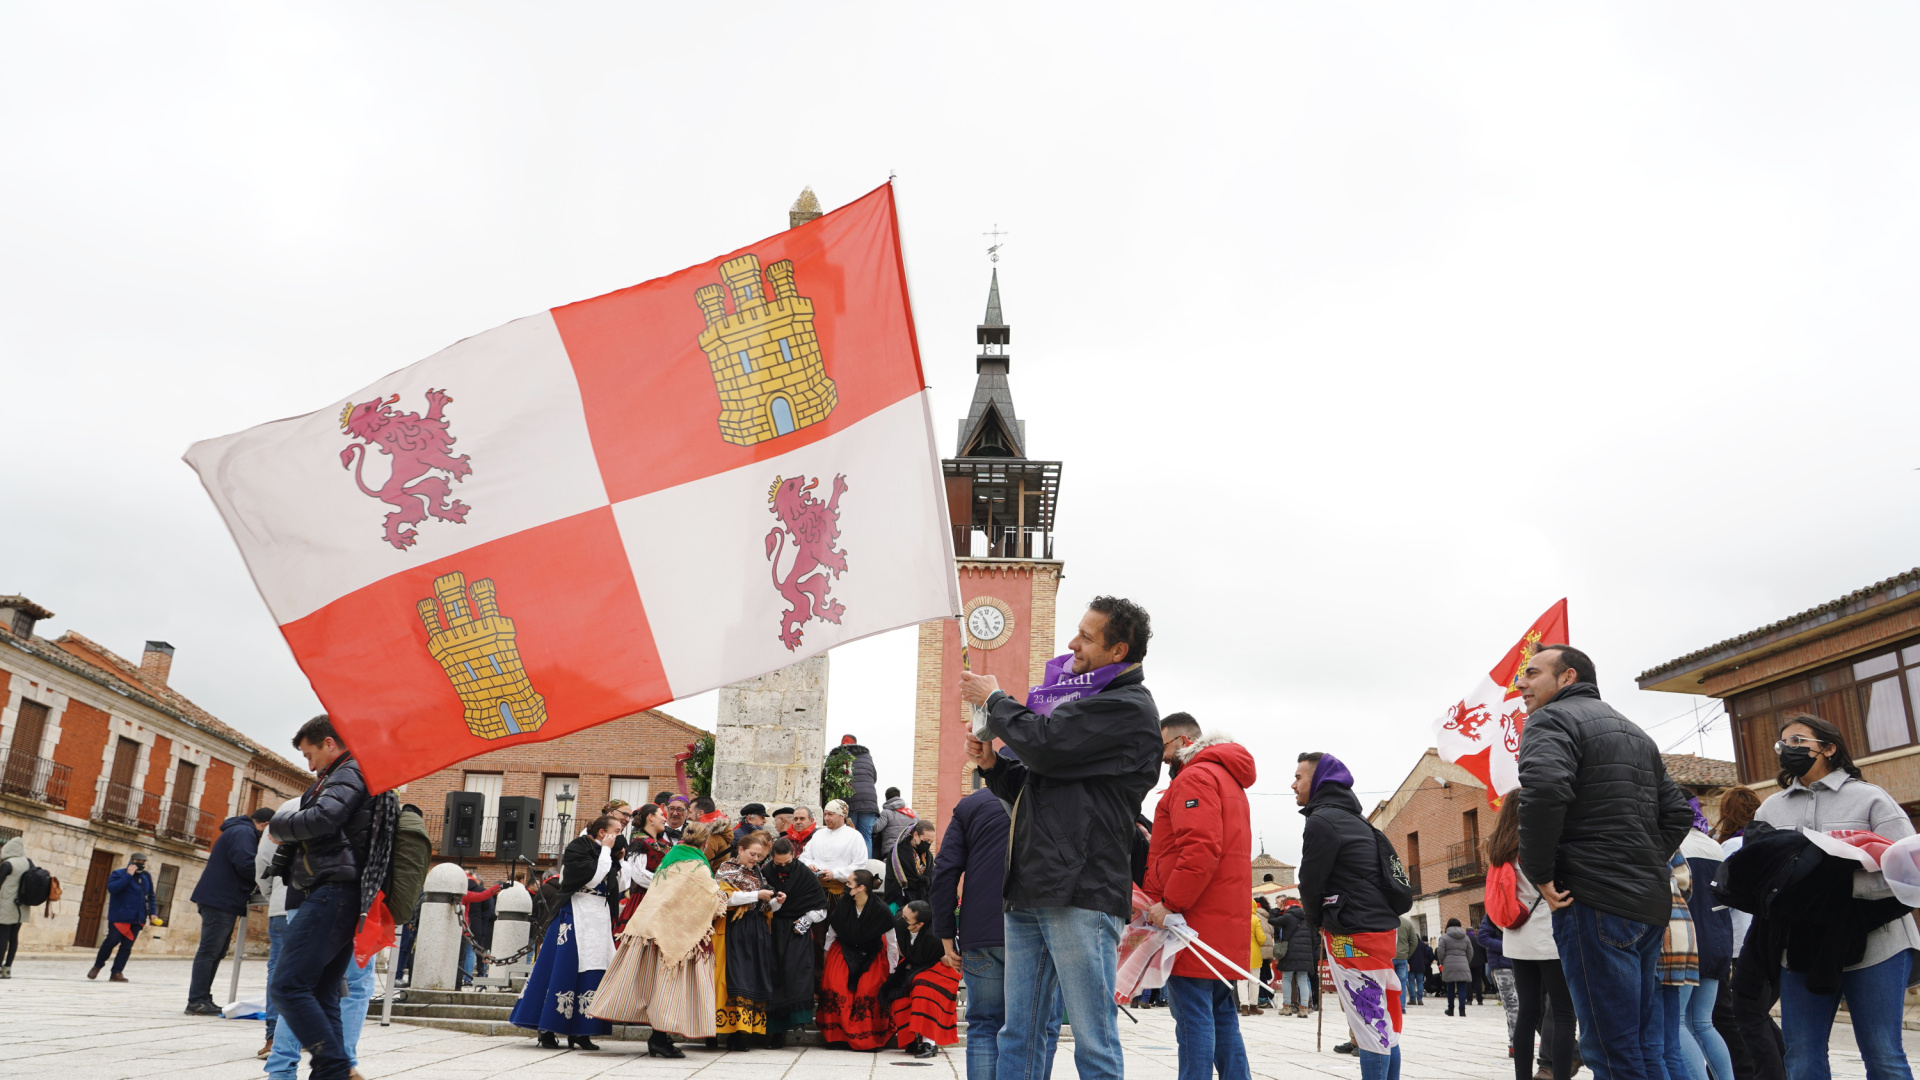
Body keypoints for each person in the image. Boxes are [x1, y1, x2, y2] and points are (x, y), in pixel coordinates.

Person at [960, 595, 1161, 1080]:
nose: (1072, 643)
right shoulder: (1082, 700)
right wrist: (993, 766)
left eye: (1087, 637)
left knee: (1092, 1036)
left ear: (1118, 651)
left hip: (1082, 889)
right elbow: (1038, 785)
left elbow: (1047, 748)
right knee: (1019, 1033)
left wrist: (994, 699)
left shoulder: (1126, 706)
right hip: (1032, 884)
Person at [1514, 645, 1691, 1080]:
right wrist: (1644, 859)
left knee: (1609, 1049)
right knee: (1644, 1044)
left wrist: (1540, 872)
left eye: (1532, 673)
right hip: (1647, 905)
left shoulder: (1550, 720)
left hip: (1592, 899)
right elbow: (1679, 813)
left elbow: (1544, 789)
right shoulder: (1634, 732)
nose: (1521, 684)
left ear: (1567, 677)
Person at [1750, 713, 1920, 1080]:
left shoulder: (1871, 799)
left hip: (1878, 943)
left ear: (1828, 748)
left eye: (1798, 741)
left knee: (1883, 1054)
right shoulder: (1770, 809)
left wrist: (1839, 887)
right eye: (1783, 744)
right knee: (1801, 1056)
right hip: (1801, 947)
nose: (1787, 750)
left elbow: (1912, 869)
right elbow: (1757, 873)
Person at [1140, 713, 1256, 1080]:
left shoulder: (1194, 777)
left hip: (1192, 924)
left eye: (1161, 748)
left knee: (1193, 1024)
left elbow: (1200, 849)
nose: (1160, 758)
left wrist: (1169, 903)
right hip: (1219, 923)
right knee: (1222, 1019)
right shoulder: (1225, 778)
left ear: (1180, 742)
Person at [265, 715, 375, 1080]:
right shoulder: (346, 773)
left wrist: (279, 827)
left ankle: (335, 1067)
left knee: (287, 985)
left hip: (333, 891)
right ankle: (334, 1072)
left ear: (329, 743)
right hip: (340, 892)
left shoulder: (348, 771)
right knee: (325, 991)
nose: (308, 765)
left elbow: (325, 817)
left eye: (310, 755)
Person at [932, 777, 1062, 1080]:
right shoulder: (1057, 795)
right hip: (1042, 928)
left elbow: (945, 870)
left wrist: (946, 935)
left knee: (984, 1024)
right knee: (1040, 1024)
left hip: (982, 929)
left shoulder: (972, 804)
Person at [1296, 751, 1406, 1078]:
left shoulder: (1322, 821)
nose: (1293, 784)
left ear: (1318, 781)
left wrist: (1316, 922)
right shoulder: (1356, 820)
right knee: (1383, 1019)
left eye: (1299, 776)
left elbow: (1310, 882)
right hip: (1380, 930)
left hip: (1350, 935)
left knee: (1367, 1019)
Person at [591, 821, 726, 1056]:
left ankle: (660, 1038)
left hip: (651, 928)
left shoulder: (671, 857)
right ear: (705, 844)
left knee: (654, 985)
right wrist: (724, 894)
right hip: (677, 936)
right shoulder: (697, 865)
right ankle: (659, 1039)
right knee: (669, 986)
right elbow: (710, 896)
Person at [1484, 788, 1576, 1080]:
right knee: (1563, 1012)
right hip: (1548, 938)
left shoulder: (1501, 850)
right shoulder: (1536, 844)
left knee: (1527, 1012)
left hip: (1516, 939)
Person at [510, 814, 619, 1050]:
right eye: (617, 830)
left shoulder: (608, 853)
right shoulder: (579, 847)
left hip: (598, 918)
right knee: (560, 968)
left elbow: (617, 882)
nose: (619, 835)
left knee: (595, 968)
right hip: (575, 915)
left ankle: (582, 1031)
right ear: (602, 832)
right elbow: (592, 879)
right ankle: (547, 1028)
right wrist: (607, 852)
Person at [1712, 786, 1782, 1080]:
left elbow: (1720, 901)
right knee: (1760, 1014)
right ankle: (1783, 1068)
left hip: (1743, 946)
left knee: (1745, 1017)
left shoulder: (1727, 848)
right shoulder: (1771, 842)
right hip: (1776, 941)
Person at [184, 805, 272, 1014]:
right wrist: (267, 877)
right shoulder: (243, 832)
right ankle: (196, 1001)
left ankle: (203, 998)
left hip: (220, 899)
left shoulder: (240, 830)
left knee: (216, 951)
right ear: (266, 825)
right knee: (209, 951)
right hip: (219, 900)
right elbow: (245, 863)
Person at [1672, 801, 1735, 1080]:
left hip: (1685, 941)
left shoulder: (1673, 845)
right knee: (1703, 1023)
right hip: (1717, 940)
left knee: (1676, 1025)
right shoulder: (1714, 846)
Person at [817, 867, 897, 1049]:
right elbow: (831, 934)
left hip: (872, 952)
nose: (846, 887)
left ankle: (868, 1037)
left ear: (861, 888)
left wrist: (892, 970)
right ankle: (837, 1036)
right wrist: (826, 959)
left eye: (849, 883)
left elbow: (892, 943)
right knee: (836, 985)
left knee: (868, 989)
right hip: (844, 948)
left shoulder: (881, 910)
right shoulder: (844, 905)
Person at [712, 828, 777, 1051]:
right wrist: (756, 895)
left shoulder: (758, 872)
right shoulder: (726, 869)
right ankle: (716, 1032)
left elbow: (764, 905)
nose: (756, 859)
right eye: (752, 854)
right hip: (734, 928)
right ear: (740, 850)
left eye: (759, 856)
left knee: (751, 978)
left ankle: (741, 1033)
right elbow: (724, 899)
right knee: (731, 978)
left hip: (755, 928)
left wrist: (777, 902)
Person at [760, 835, 828, 1047]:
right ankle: (776, 1031)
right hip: (773, 929)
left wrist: (806, 920)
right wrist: (775, 903)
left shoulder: (805, 874)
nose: (782, 868)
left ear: (794, 856)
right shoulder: (765, 872)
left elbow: (821, 907)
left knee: (798, 973)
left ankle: (799, 1021)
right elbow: (760, 905)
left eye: (787, 863)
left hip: (798, 930)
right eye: (778, 864)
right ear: (772, 858)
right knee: (774, 976)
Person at [882, 899, 960, 1059]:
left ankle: (929, 1042)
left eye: (907, 920)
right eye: (903, 914)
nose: (901, 920)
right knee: (897, 995)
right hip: (913, 965)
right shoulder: (899, 920)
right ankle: (912, 1037)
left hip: (939, 966)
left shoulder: (936, 937)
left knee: (923, 990)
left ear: (920, 924)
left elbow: (948, 960)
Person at [255, 795, 298, 1058]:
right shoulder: (347, 802)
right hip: (325, 904)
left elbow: (264, 857)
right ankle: (304, 1034)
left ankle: (273, 1037)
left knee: (279, 969)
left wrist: (272, 893)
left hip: (284, 902)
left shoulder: (291, 806)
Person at [90, 851, 156, 982]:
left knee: (126, 947)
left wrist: (153, 913)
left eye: (143, 863)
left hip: (137, 918)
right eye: (138, 862)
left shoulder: (146, 877)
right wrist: (128, 876)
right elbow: (113, 889)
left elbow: (151, 897)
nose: (140, 865)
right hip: (120, 916)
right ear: (131, 861)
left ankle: (117, 972)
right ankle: (98, 965)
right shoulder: (118, 874)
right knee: (111, 941)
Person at [798, 799, 869, 910]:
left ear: (842, 816)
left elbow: (860, 865)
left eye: (830, 814)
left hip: (841, 893)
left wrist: (835, 873)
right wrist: (809, 865)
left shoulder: (854, 836)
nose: (826, 818)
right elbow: (804, 857)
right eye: (825, 814)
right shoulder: (818, 834)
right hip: (815, 889)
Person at [615, 803, 674, 933]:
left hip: (664, 899)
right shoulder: (639, 842)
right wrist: (667, 882)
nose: (665, 819)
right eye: (661, 815)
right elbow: (638, 874)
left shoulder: (666, 844)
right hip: (644, 899)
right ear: (651, 817)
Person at [1475, 916, 1516, 1048]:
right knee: (1512, 1005)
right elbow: (1482, 938)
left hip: (1524, 963)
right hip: (1503, 966)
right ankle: (1516, 1044)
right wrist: (1507, 947)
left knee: (1529, 1006)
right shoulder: (1493, 915)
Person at [1274, 900, 1318, 1018]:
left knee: (1287, 978)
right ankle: (1304, 1008)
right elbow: (1316, 939)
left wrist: (1277, 909)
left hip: (1289, 954)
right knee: (1303, 980)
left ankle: (1287, 1007)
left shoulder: (1287, 917)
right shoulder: (1309, 918)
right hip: (1305, 955)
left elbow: (1272, 921)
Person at [840, 735, 881, 856]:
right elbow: (874, 777)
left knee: (850, 835)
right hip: (869, 801)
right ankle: (866, 868)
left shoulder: (838, 756)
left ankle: (851, 867)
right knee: (865, 836)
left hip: (849, 801)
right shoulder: (867, 756)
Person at [0, 834, 33, 979]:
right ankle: (8, 968)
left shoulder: (8, 864)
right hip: (22, 907)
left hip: (6, 906)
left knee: (2, 938)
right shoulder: (29, 863)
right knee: (13, 938)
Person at [886, 819, 937, 910]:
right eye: (925, 840)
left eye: (931, 842)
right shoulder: (898, 853)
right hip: (901, 901)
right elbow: (894, 881)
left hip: (924, 902)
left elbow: (931, 877)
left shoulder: (928, 855)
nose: (928, 844)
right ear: (915, 835)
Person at [1436, 919, 1474, 1016]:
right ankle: (1462, 1010)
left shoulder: (1444, 937)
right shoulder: (1465, 937)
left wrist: (1442, 962)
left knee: (1450, 988)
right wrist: (1466, 961)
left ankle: (1451, 1009)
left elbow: (1440, 952)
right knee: (1462, 988)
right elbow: (1470, 952)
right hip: (1463, 963)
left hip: (1449, 963)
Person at [876, 787, 918, 859]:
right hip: (909, 852)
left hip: (890, 852)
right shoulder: (913, 814)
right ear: (899, 796)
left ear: (886, 798)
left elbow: (876, 828)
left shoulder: (886, 813)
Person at [1395, 916, 1420, 1014]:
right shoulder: (1407, 923)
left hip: (1389, 957)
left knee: (1388, 984)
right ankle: (1401, 1008)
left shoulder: (1385, 921)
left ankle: (1390, 1007)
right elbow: (1414, 941)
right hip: (1402, 958)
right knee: (1402, 983)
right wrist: (1407, 955)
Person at [1406, 932, 1432, 1007]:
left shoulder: (1409, 944)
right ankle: (1420, 999)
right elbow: (1426, 954)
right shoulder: (1422, 944)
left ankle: (1412, 999)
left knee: (1411, 982)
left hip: (1411, 965)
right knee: (1420, 982)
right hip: (1421, 966)